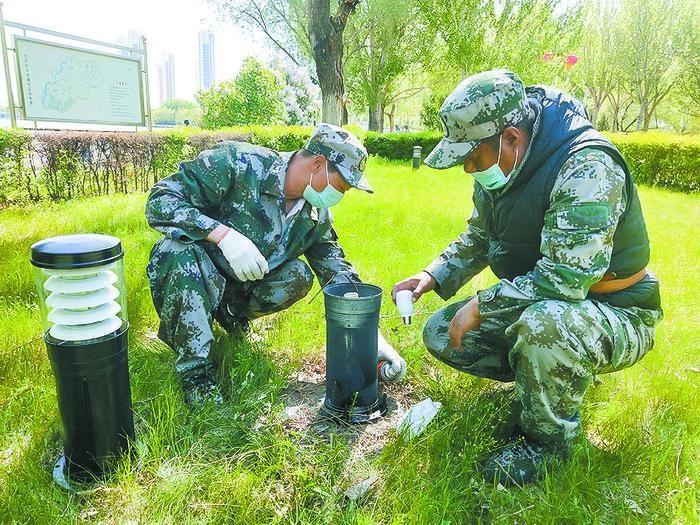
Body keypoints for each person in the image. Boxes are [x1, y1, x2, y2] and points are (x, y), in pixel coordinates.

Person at [393, 70, 662, 485]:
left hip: (618, 309)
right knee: (442, 331)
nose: (467, 167)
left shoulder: (587, 166)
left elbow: (565, 277)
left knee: (545, 326)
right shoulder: (500, 166)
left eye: (471, 155)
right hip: (555, 302)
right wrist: (432, 275)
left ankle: (547, 446)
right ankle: (545, 383)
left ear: (511, 137)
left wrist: (484, 304)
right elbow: (481, 235)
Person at [146, 123, 406, 406]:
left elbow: (339, 274)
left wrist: (370, 339)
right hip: (194, 276)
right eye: (341, 186)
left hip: (236, 288)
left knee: (297, 275)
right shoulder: (238, 163)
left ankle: (231, 317)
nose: (340, 196)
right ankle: (196, 373)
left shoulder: (314, 216)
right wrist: (222, 235)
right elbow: (161, 201)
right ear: (319, 164)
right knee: (176, 250)